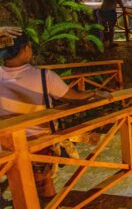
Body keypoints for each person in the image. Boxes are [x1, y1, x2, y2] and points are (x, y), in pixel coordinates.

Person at [0, 33, 112, 198]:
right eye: (29, 46)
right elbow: (73, 97)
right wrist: (95, 92)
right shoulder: (44, 77)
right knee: (44, 188)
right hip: (39, 144)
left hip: (6, 146)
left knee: (19, 188)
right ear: (25, 49)